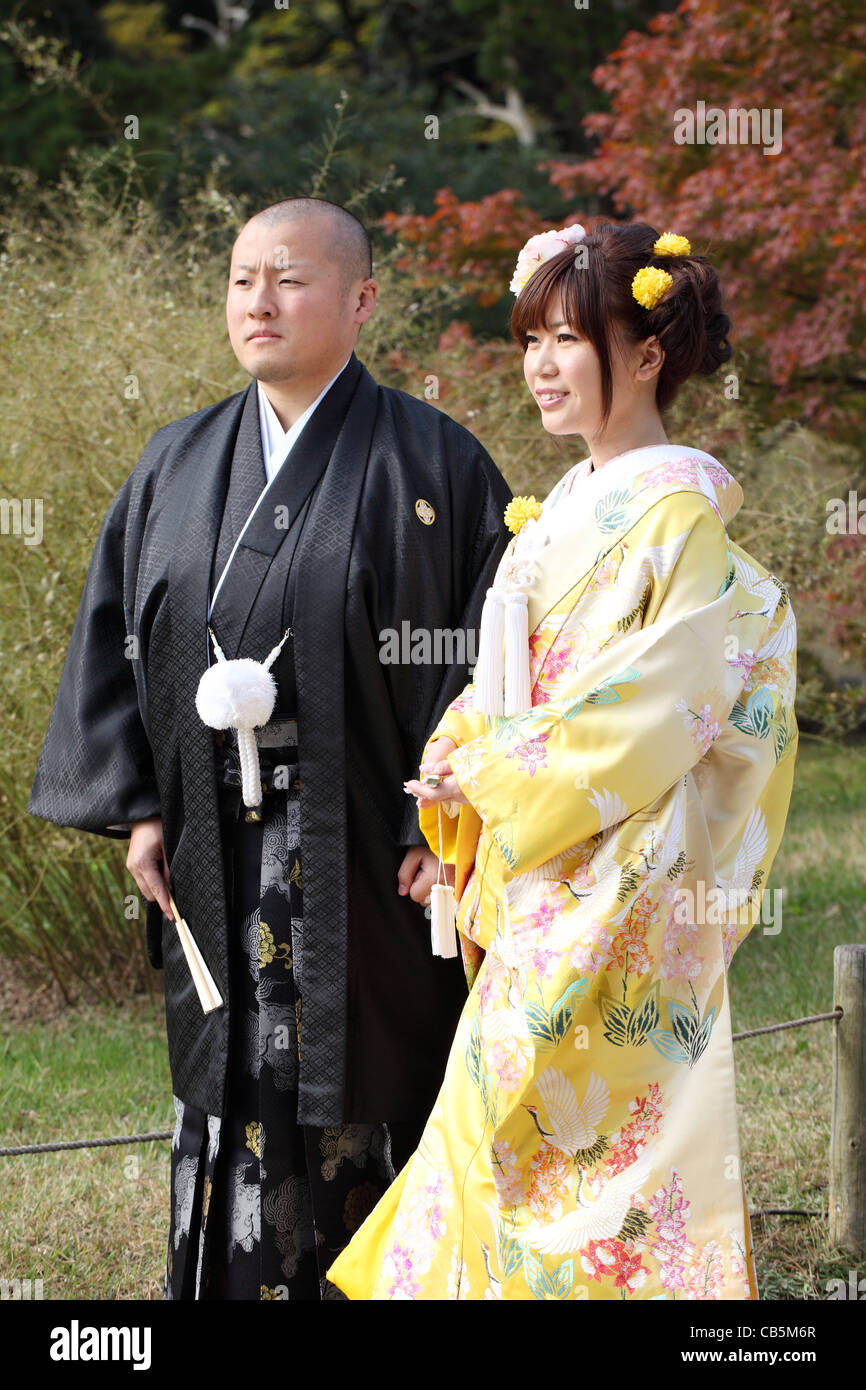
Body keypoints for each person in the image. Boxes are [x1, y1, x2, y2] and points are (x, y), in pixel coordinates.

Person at [26, 197, 512, 1299]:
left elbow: (485, 663)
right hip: (213, 837)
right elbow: (114, 635)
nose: (258, 300)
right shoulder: (178, 461)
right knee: (231, 1076)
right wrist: (139, 805)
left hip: (370, 852)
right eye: (243, 277)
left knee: (367, 1075)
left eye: (288, 278)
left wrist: (448, 826)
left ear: (359, 299)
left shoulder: (434, 465)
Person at [327, 222, 799, 1301]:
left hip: (618, 871)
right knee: (509, 1125)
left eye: (567, 337)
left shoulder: (672, 508)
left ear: (644, 356)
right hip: (548, 859)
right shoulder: (561, 512)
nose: (539, 362)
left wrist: (497, 764)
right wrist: (459, 758)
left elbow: (666, 700)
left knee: (564, 1135)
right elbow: (512, 682)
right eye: (529, 336)